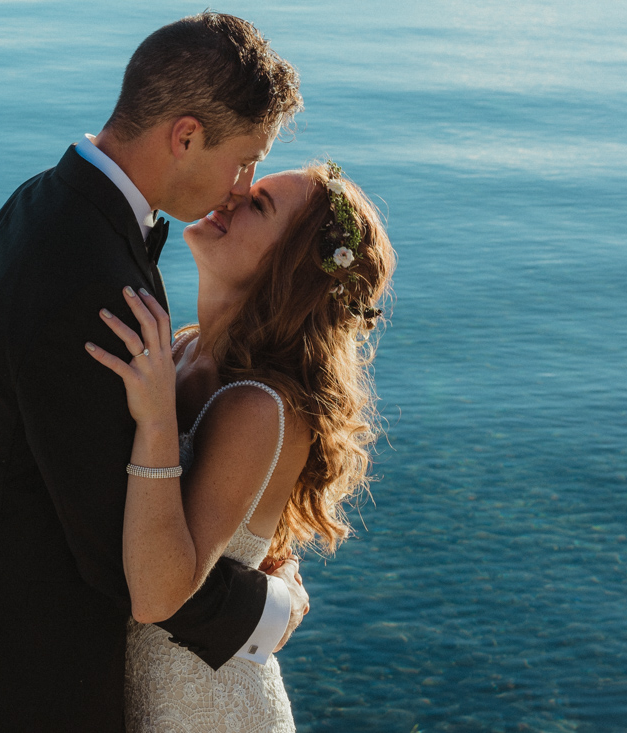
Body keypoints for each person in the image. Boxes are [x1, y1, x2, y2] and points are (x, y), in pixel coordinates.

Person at [0, 12, 306, 733]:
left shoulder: (40, 203)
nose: (239, 185)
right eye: (242, 158)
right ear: (186, 136)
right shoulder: (90, 277)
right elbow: (119, 555)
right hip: (31, 679)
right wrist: (267, 609)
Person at [85, 161, 396, 731]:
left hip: (204, 711)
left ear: (288, 269)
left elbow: (157, 598)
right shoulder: (182, 349)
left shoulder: (258, 406)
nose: (229, 197)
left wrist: (156, 422)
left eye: (258, 205)